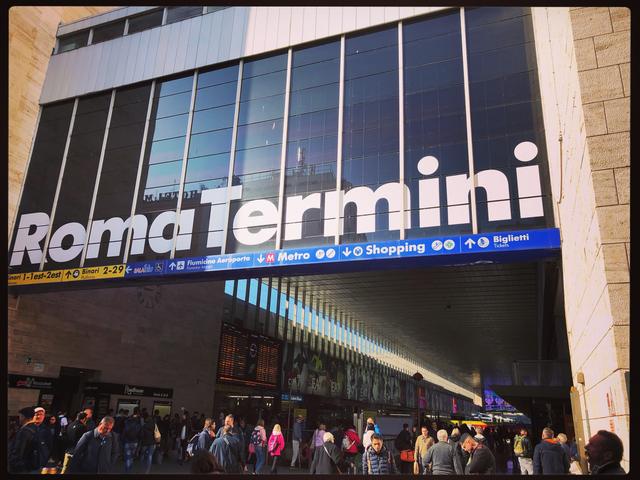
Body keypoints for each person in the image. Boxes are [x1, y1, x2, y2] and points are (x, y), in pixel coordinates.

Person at [8, 406, 41, 473]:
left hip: (21, 468)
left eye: (20, 416)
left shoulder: (25, 431)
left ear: (25, 417)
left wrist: (12, 464)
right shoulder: (36, 428)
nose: (19, 419)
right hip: (30, 465)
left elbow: (18, 451)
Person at [122, 407, 143, 473]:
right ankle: (129, 470)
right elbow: (141, 430)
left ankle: (127, 471)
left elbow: (124, 429)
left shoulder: (128, 418)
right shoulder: (140, 419)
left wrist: (122, 439)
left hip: (127, 440)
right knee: (131, 457)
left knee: (127, 457)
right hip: (135, 440)